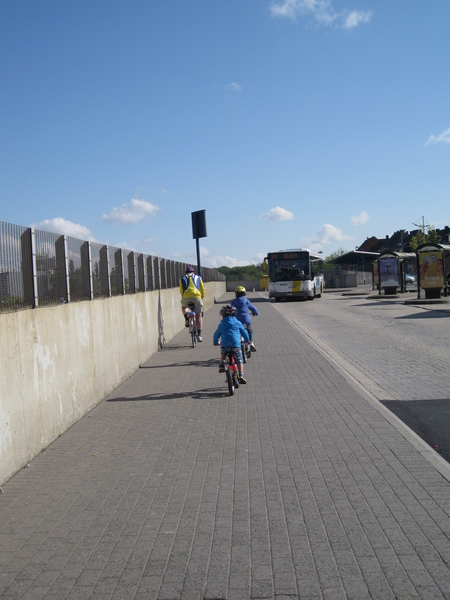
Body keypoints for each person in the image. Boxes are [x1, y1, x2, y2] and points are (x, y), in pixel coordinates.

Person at [213, 305, 249, 384]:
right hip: (236, 345)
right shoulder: (238, 323)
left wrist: (215, 342)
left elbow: (216, 334)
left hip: (225, 345)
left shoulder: (222, 324)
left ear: (222, 315)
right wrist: (246, 340)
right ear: (234, 314)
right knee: (239, 359)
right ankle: (241, 375)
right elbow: (245, 333)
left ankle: (222, 364)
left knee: (223, 353)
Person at [180, 266, 205, 342]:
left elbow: (181, 290)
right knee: (199, 316)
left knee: (184, 307)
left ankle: (187, 318)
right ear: (193, 272)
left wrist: (184, 296)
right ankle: (199, 335)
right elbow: (202, 289)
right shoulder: (198, 277)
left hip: (186, 297)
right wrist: (201, 297)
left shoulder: (183, 278)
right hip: (197, 297)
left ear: (186, 273)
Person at [231, 286, 259, 352]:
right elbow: (252, 307)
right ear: (244, 293)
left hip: (236, 320)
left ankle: (236, 343)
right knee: (249, 330)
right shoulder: (246, 301)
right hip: (246, 320)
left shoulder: (233, 301)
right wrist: (256, 313)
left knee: (236, 331)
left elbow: (231, 309)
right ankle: (251, 342)